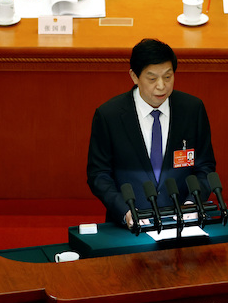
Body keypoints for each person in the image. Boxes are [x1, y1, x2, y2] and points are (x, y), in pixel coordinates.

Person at [87, 39, 216, 226]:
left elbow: (205, 167)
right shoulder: (109, 115)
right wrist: (125, 211)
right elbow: (99, 175)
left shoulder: (192, 109)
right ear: (134, 76)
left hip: (184, 223)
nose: (161, 86)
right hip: (130, 226)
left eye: (168, 76)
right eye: (152, 78)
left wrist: (192, 203)